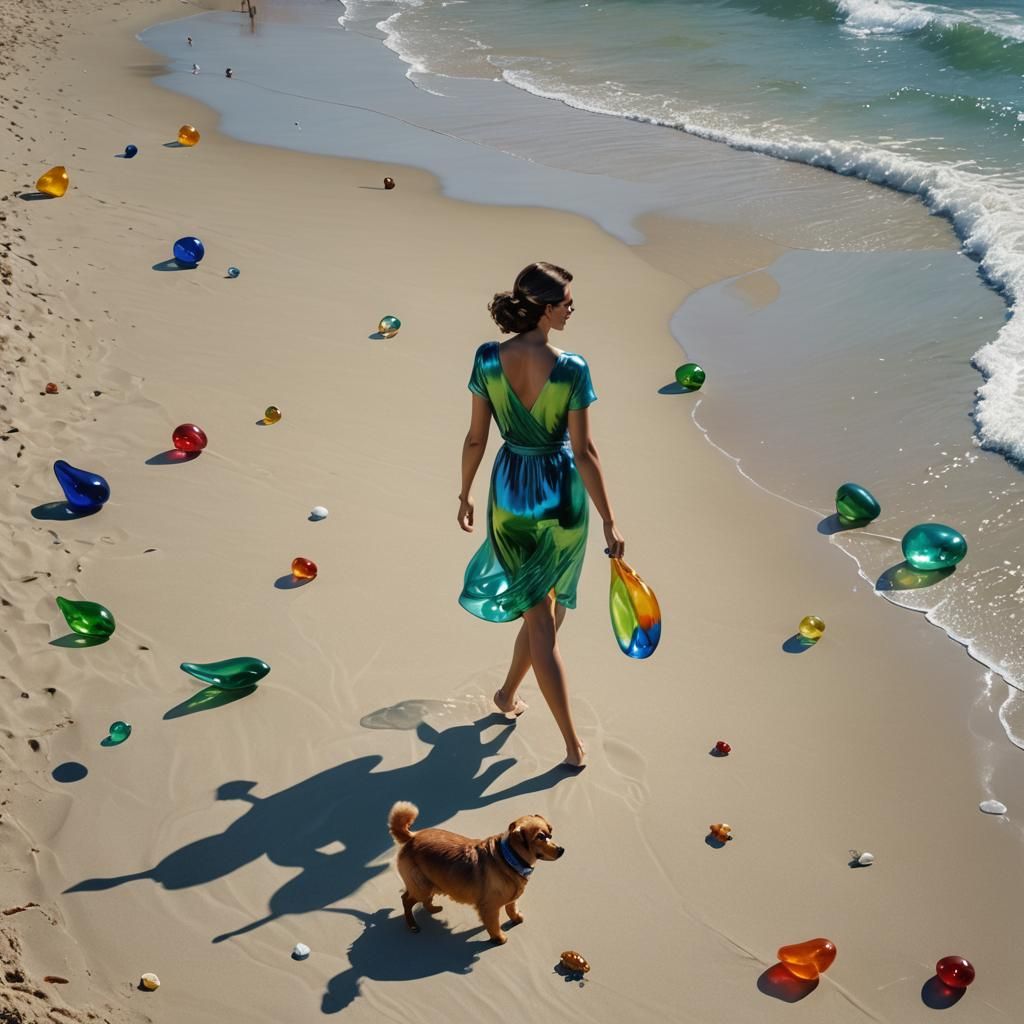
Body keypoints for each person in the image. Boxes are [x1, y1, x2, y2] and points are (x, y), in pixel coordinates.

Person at [458, 262, 624, 768]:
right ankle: (572, 744)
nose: (572, 309)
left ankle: (508, 694)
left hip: (510, 493)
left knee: (541, 614)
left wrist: (464, 492)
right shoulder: (572, 367)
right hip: (561, 496)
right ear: (547, 309)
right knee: (548, 617)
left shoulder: (488, 359)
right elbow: (585, 449)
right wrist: (611, 519)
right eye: (568, 302)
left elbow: (475, 438)